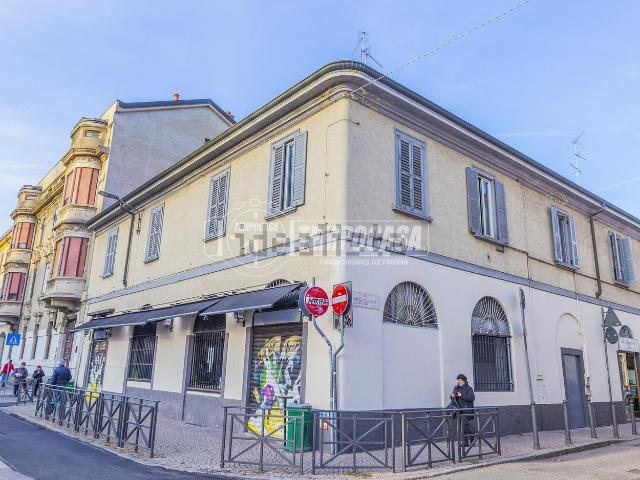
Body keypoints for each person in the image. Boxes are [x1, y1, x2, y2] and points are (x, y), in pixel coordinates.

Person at [449, 373, 475, 447]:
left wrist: (461, 395)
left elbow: (471, 398)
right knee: (461, 428)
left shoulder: (469, 388)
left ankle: (473, 436)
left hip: (466, 410)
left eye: (459, 380)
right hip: (458, 410)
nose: (458, 381)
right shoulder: (456, 388)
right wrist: (452, 396)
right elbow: (453, 399)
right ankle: (465, 443)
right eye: (458, 380)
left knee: (465, 426)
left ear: (464, 380)